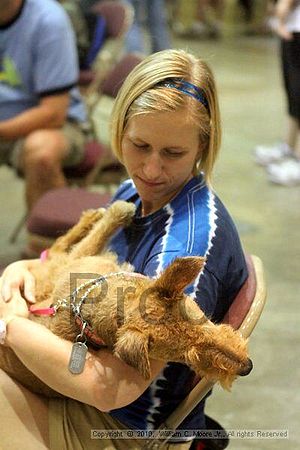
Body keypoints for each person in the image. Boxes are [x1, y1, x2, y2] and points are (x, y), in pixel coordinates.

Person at [0, 49, 248, 449]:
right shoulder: (135, 193)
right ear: (120, 128)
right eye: (139, 145)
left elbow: (109, 389)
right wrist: (25, 268)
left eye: (173, 153)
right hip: (86, 381)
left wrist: (11, 328)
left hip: (124, 428)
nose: (151, 169)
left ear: (203, 145)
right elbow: (78, 267)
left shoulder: (180, 254)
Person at [0, 0, 87, 210]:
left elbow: (53, 113)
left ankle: (49, 242)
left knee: (42, 153)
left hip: (50, 122)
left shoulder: (49, 21)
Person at [254, 0, 300, 186]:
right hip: (293, 24)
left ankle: (297, 160)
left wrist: (284, 4)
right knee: (293, 93)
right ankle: (288, 147)